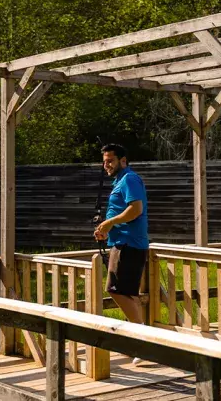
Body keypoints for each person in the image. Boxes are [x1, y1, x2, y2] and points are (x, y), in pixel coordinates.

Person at [93, 143, 149, 364]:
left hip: (129, 244)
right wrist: (106, 229)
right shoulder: (121, 181)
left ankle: (143, 339)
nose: (106, 165)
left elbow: (136, 209)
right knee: (129, 294)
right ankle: (138, 343)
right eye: (104, 161)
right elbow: (123, 213)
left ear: (123, 160)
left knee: (114, 289)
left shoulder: (130, 179)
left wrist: (109, 222)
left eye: (110, 160)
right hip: (123, 242)